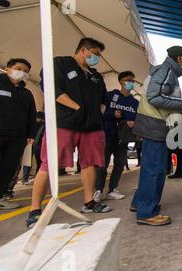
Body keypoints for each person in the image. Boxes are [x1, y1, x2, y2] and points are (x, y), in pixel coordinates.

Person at [26, 38, 111, 228]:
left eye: (99, 55)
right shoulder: (60, 64)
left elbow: (104, 98)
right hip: (65, 123)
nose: (97, 58)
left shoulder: (96, 76)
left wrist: (99, 112)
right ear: (83, 50)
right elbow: (52, 88)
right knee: (49, 164)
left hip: (92, 127)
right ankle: (34, 210)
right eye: (95, 54)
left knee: (89, 163)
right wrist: (77, 108)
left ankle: (90, 201)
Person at [132, 46, 182, 226]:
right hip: (154, 126)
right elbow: (155, 97)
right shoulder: (166, 71)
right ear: (179, 59)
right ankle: (147, 213)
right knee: (156, 170)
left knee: (152, 168)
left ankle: (139, 202)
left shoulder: (168, 73)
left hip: (155, 125)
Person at [0, 59, 37, 210]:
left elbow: (31, 116)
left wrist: (31, 134)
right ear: (8, 69)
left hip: (18, 137)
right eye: (19, 68)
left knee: (8, 168)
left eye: (25, 71)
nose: (22, 72)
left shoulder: (26, 93)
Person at [95, 71, 139, 201]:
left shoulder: (134, 102)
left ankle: (112, 189)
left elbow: (137, 119)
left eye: (133, 80)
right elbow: (100, 114)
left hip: (123, 138)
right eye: (128, 80)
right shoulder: (110, 96)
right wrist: (112, 115)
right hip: (107, 135)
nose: (131, 82)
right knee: (102, 164)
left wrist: (133, 123)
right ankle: (98, 190)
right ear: (121, 81)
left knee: (119, 164)